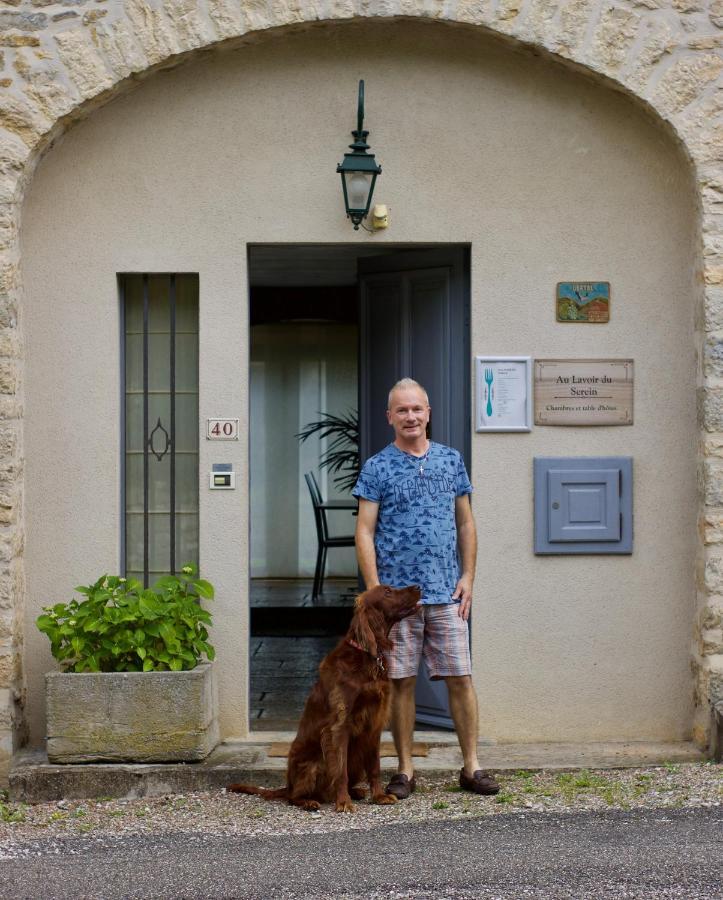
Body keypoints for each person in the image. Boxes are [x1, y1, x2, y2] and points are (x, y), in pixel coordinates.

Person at [353, 377, 499, 798]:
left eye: (417, 409)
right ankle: (405, 771)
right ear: (390, 417)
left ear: (428, 413)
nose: (410, 416)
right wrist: (376, 591)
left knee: (461, 679)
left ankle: (471, 767)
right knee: (400, 683)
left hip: (446, 594)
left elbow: (466, 522)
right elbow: (365, 531)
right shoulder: (377, 467)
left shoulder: (451, 461)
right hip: (398, 602)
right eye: (402, 410)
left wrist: (468, 577)